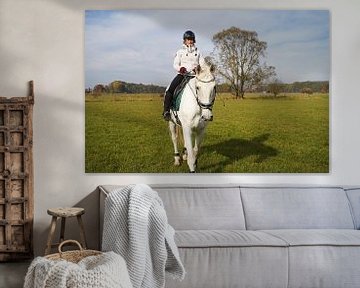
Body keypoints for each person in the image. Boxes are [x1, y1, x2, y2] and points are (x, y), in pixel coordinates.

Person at [163, 30, 205, 121]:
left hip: (195, 75)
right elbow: (175, 64)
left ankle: (206, 111)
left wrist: (198, 68)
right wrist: (180, 68)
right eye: (188, 39)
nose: (190, 41)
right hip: (183, 75)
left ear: (194, 40)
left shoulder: (198, 52)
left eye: (191, 39)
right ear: (184, 41)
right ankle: (166, 111)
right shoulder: (180, 52)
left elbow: (202, 64)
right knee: (170, 90)